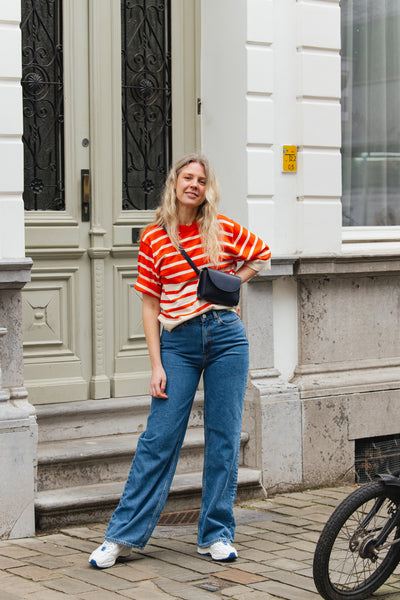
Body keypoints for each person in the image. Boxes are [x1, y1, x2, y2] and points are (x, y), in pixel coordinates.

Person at [89, 153, 271, 569]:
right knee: (159, 438)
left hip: (226, 337)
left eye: (201, 180)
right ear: (174, 183)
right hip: (178, 344)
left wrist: (230, 283)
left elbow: (261, 254)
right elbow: (150, 305)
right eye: (187, 178)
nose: (194, 185)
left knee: (224, 437)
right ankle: (121, 536)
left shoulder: (222, 229)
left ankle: (216, 534)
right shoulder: (154, 238)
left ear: (208, 189)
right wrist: (156, 365)